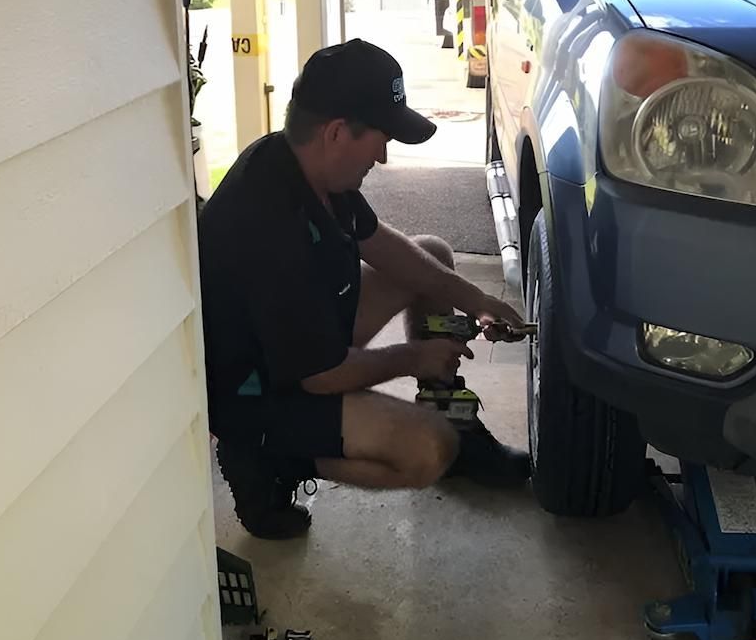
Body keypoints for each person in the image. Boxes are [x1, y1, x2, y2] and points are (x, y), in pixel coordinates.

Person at [197, 38, 530, 538]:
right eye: (381, 137)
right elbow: (322, 377)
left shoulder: (307, 166)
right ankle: (273, 461)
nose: (383, 154)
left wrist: (474, 298)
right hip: (263, 393)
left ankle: (452, 411)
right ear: (335, 132)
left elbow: (383, 246)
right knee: (428, 451)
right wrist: (412, 357)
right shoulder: (268, 224)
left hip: (300, 340)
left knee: (433, 254)